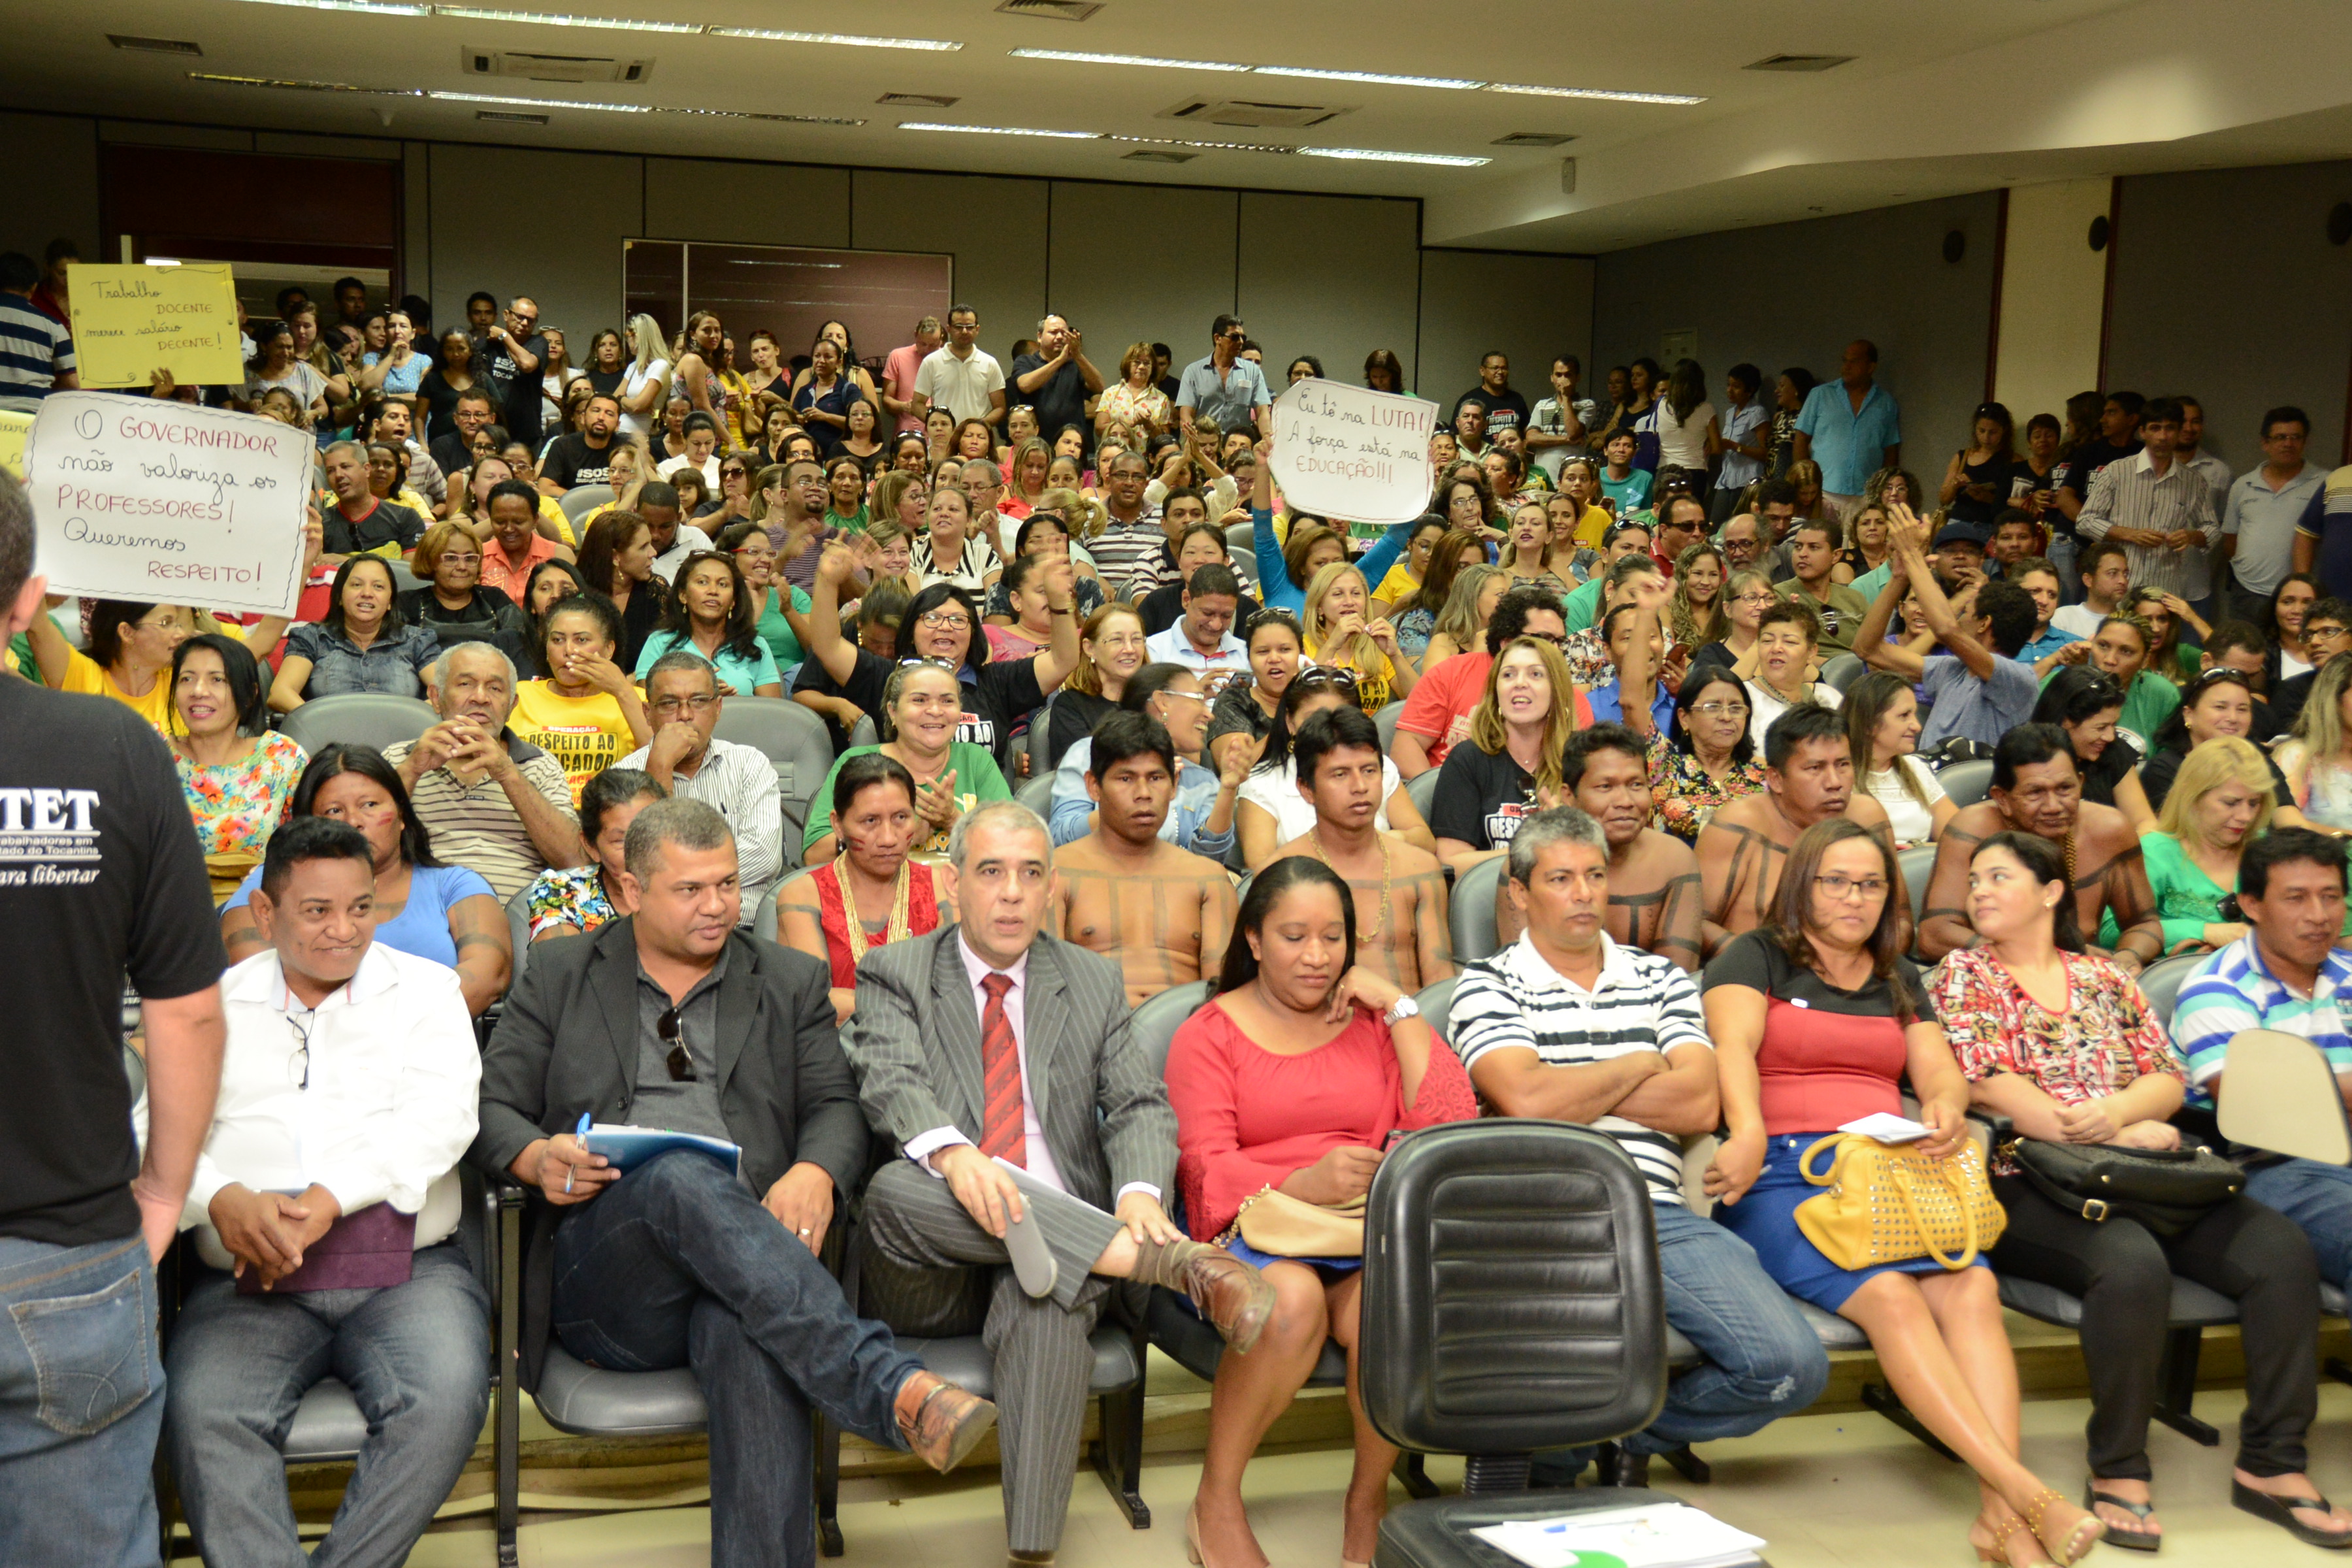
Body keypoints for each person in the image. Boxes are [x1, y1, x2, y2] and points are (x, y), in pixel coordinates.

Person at [478, 796, 999, 1563]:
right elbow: (491, 1109)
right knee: (677, 1178)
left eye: (727, 884)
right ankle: (886, 1385)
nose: (718, 906)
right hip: (610, 1281)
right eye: (690, 890)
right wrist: (535, 1158)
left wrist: (816, 1171)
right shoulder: (561, 972)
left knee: (752, 1332)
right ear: (631, 891)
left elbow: (835, 1106)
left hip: (751, 1267)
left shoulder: (787, 978)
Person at [841, 801, 1277, 1561]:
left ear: (1051, 890)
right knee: (892, 1191)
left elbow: (1138, 1105)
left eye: (1030, 874)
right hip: (934, 1267)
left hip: (1060, 1258)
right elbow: (891, 1082)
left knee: (1043, 1291)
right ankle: (1161, 1263)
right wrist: (957, 1158)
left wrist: (1138, 1192)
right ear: (954, 885)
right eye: (991, 872)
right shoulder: (895, 973)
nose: (1012, 892)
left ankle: (1032, 1550)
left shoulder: (1090, 979)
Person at [1702, 820, 2106, 1568]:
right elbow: (1732, 1049)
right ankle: (2025, 1494)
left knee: (1973, 1289)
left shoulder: (1897, 975)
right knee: (1891, 1296)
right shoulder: (1754, 955)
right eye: (1835, 882)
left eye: (1871, 884)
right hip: (1786, 1178)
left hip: (1891, 1176)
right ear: (1802, 886)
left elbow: (1939, 1070)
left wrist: (1945, 1107)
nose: (1854, 898)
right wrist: (1748, 1130)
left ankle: (1998, 1517)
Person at [1946, 832, 2349, 1551]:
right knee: (2131, 1265)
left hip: (2143, 1166)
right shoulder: (1964, 973)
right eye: (1973, 879)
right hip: (2029, 1179)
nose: (1978, 890)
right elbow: (1987, 1086)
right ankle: (2119, 1468)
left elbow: (2165, 1075)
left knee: (2281, 1254)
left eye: (1998, 877)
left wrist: (2121, 1116)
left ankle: (2272, 1463)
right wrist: (2107, 1130)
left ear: (2050, 892)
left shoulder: (2104, 976)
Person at [1453, 806, 1827, 1486]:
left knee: (1788, 1366)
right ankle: (1558, 1461)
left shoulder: (1662, 979)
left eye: (1595, 876)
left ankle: (1628, 1431)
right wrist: (1637, 1063)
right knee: (1548, 1416)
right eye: (1561, 879)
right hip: (1541, 1218)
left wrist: (1570, 1084)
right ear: (1520, 892)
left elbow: (1699, 1104)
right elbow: (1526, 1102)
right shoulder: (1487, 983)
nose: (1584, 893)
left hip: (1658, 1214)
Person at [0, 471, 227, 1563]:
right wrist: (167, 1193)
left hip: (68, 1245)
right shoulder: (113, 749)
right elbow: (187, 1013)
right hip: (70, 1252)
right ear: (27, 599)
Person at [161, 815, 490, 1568]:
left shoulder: (427, 992)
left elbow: (443, 1121)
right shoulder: (211, 1004)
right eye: (317, 911)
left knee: (443, 1401)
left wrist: (330, 1199)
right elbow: (155, 1134)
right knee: (206, 1413)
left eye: (361, 908)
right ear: (265, 912)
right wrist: (221, 1198)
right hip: (250, 1281)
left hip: (407, 1273)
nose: (345, 931)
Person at [1166, 855, 1480, 1568]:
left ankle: (1366, 1502)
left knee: (1390, 1308)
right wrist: (1300, 1180)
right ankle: (1216, 1499)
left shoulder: (1368, 1022)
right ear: (1253, 939)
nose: (1317, 956)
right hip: (1256, 1225)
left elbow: (1449, 1122)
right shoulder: (1207, 1033)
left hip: (1360, 1227)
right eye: (1294, 937)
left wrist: (1395, 1003)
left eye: (1333, 938)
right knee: (1291, 1300)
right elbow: (1202, 1172)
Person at [220, 740, 510, 1013]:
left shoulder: (455, 886)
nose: (354, 822)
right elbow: (250, 969)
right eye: (334, 810)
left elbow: (487, 977)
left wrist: (381, 1032)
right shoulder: (270, 881)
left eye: (370, 805)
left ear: (402, 814)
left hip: (422, 1040)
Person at [805, 542, 1079, 778]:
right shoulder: (887, 677)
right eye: (933, 618)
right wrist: (827, 582)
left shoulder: (997, 682)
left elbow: (1062, 661)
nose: (946, 627)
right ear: (912, 631)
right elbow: (828, 646)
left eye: (958, 620)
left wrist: (1059, 602)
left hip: (981, 809)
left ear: (974, 633)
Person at [1916, 723, 2162, 973]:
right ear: (2002, 799)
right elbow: (1935, 935)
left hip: (2081, 982)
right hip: (1987, 979)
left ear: (2080, 783)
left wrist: (2129, 957)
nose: (2054, 806)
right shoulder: (1973, 828)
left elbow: (2144, 924)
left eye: (2065, 789)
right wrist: (2040, 956)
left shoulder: (2109, 830)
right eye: (2035, 793)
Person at [1048, 710, 1238, 1005]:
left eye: (1156, 778)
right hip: (1088, 1028)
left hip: (1185, 1030)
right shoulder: (1055, 873)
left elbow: (1223, 998)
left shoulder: (1209, 879)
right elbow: (1045, 990)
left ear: (1174, 784)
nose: (1143, 793)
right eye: (1125, 778)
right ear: (1094, 786)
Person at [1695, 703, 1900, 956]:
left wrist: (1850, 965)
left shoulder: (1868, 818)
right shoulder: (1740, 825)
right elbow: (1695, 924)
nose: (1834, 782)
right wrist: (1765, 965)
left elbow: (1899, 921)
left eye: (1843, 765)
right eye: (1815, 768)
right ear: (1776, 780)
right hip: (1758, 972)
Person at [384, 642, 581, 903]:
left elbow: (574, 860)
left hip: (518, 914)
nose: (480, 697)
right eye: (465, 684)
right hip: (422, 907)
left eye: (495, 688)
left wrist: (508, 774)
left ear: (512, 706)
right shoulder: (399, 758)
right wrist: (412, 771)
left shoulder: (539, 764)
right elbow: (359, 848)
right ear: (436, 697)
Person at [1274, 708, 1452, 994]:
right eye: (1340, 774)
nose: (1360, 787)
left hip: (1409, 1018)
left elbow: (1439, 984)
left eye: (1369, 771)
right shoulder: (1280, 875)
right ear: (1306, 789)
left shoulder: (1421, 868)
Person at [776, 754, 949, 1024]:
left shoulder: (945, 889)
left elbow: (955, 994)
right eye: (870, 821)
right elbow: (814, 1004)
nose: (888, 838)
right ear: (838, 825)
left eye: (901, 817)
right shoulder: (802, 896)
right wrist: (913, 1003)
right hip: (834, 1048)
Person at [1853, 507, 2042, 751]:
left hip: (1972, 776)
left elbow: (1946, 629)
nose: (1960, 619)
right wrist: (1899, 577)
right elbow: (1867, 649)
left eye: (1967, 612)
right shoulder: (1953, 668)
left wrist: (1912, 554)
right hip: (1926, 771)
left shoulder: (2018, 679)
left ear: (1984, 624)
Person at [1522, 723, 1705, 972]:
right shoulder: (1530, 862)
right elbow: (1522, 974)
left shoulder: (1675, 860)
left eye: (1636, 785)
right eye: (1605, 787)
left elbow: (1677, 977)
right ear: (1569, 795)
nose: (1625, 802)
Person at [619, 651, 785, 922]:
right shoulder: (623, 775)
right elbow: (634, 863)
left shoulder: (750, 764)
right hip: (660, 930)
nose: (685, 715)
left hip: (742, 926)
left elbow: (764, 857)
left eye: (698, 701)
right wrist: (660, 768)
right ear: (648, 713)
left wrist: (676, 880)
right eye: (669, 704)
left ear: (718, 708)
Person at [805, 658, 1011, 864]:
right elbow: (815, 855)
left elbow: (1012, 846)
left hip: (961, 884)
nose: (935, 711)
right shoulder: (857, 764)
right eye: (920, 700)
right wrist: (903, 838)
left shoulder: (976, 760)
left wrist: (953, 820)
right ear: (893, 711)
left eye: (947, 701)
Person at [1236, 668, 1435, 871]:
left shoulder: (1378, 768)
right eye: (1314, 719)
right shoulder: (1262, 782)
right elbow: (1260, 864)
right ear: (1290, 723)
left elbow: (1425, 840)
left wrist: (1384, 842)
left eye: (1339, 718)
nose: (1328, 730)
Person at [169, 634, 309, 902]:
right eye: (187, 679)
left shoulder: (281, 758)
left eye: (217, 680)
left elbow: (311, 847)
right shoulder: (153, 755)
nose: (198, 691)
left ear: (249, 694)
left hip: (260, 905)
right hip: (172, 907)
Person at [510, 593, 657, 804]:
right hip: (532, 810)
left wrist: (622, 691)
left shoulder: (636, 699)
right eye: (558, 640)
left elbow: (659, 762)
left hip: (612, 812)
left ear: (609, 650)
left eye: (581, 640)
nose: (569, 651)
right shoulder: (518, 696)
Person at [2074, 397, 2219, 608]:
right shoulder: (2117, 472)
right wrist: (2129, 534)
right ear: (2142, 432)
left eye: (2170, 428)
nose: (2163, 436)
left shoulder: (2194, 481)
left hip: (2164, 589)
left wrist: (2191, 536)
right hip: (2118, 588)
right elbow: (2085, 521)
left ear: (2179, 432)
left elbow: (2212, 528)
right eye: (2155, 428)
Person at [270, 555, 440, 712]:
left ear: (390, 601)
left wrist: (409, 718)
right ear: (339, 597)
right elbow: (280, 693)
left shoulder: (416, 641)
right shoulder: (312, 637)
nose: (367, 594)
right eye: (357, 585)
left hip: (401, 733)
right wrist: (319, 722)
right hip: (327, 733)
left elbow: (445, 693)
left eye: (378, 587)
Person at [523, 766, 663, 943]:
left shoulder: (691, 884)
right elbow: (557, 957)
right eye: (621, 841)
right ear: (591, 846)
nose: (641, 850)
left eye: (651, 833)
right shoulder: (563, 890)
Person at [633, 548, 784, 697]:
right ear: (683, 595)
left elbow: (772, 710)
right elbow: (650, 703)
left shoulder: (756, 646)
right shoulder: (660, 643)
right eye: (702, 582)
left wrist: (734, 703)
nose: (713, 591)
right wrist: (700, 696)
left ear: (733, 601)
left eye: (723, 584)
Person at [1650, 665, 1767, 845]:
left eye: (1736, 708)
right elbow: (1631, 701)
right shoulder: (1663, 764)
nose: (1726, 717)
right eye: (1712, 707)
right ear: (1684, 718)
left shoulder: (1764, 777)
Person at [1791, 341, 1902, 523]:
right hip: (1824, 493)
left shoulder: (1886, 402)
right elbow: (1801, 438)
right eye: (1845, 361)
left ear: (1871, 367)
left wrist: (1884, 489)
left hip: (1866, 496)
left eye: (1854, 362)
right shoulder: (1820, 395)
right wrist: (1804, 483)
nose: (1846, 367)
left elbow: (1890, 450)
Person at [1843, 670, 1954, 848]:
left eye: (1915, 714)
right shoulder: (1839, 778)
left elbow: (1957, 838)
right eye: (1904, 716)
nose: (1917, 726)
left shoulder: (1915, 768)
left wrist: (1920, 850)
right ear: (1869, 723)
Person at [575, 508, 672, 668]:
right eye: (643, 547)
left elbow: (671, 651)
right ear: (615, 556)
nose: (653, 552)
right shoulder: (576, 593)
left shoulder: (656, 590)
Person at [1740, 601, 1841, 747]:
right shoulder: (1743, 699)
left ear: (1811, 652)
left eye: (1789, 642)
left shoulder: (1827, 697)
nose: (1776, 648)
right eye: (1767, 641)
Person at [1775, 519, 1869, 654]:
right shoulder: (1780, 597)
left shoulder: (1855, 599)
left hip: (1858, 664)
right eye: (1798, 547)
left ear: (1836, 556)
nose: (1802, 554)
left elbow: (1873, 649)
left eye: (1813, 547)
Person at [1177, 314, 1272, 443]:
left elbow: (1262, 412)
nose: (1241, 342)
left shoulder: (1253, 371)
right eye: (1235, 337)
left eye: (1243, 337)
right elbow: (1186, 415)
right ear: (1218, 338)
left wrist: (1267, 435)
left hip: (1238, 444)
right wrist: (1195, 440)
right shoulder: (1194, 371)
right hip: (1205, 443)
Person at [911, 302, 1006, 431]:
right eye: (958, 327)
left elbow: (1000, 408)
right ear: (949, 329)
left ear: (977, 329)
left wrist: (976, 428)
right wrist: (940, 425)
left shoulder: (989, 363)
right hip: (943, 439)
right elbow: (917, 405)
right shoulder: (931, 362)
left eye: (969, 327)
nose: (964, 331)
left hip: (976, 438)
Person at [1144, 561, 1248, 674]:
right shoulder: (1153, 650)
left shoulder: (1247, 654)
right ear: (1186, 600)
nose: (1216, 625)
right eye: (1207, 613)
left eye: (1226, 616)